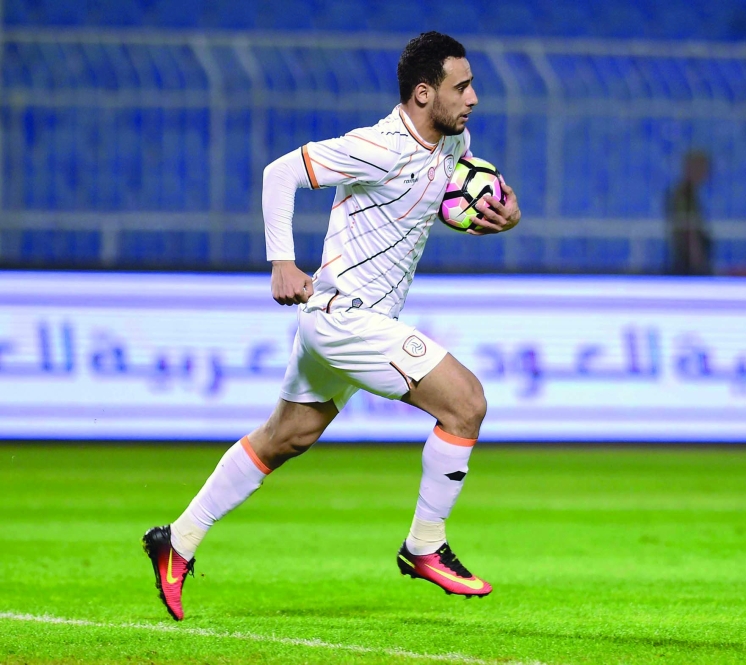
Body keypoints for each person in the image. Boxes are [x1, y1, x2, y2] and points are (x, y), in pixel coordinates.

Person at [141, 31, 521, 621]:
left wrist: (502, 215)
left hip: (352, 320)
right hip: (346, 318)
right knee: (466, 403)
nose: (473, 98)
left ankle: (178, 541)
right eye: (462, 86)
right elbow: (279, 174)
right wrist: (282, 262)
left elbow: (446, 196)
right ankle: (425, 545)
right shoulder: (377, 146)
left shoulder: (454, 142)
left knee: (285, 437)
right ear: (424, 93)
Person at [666, 151, 712, 275]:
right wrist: (696, 258)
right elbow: (687, 229)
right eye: (700, 167)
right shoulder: (683, 194)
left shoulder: (691, 193)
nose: (705, 172)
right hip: (687, 262)